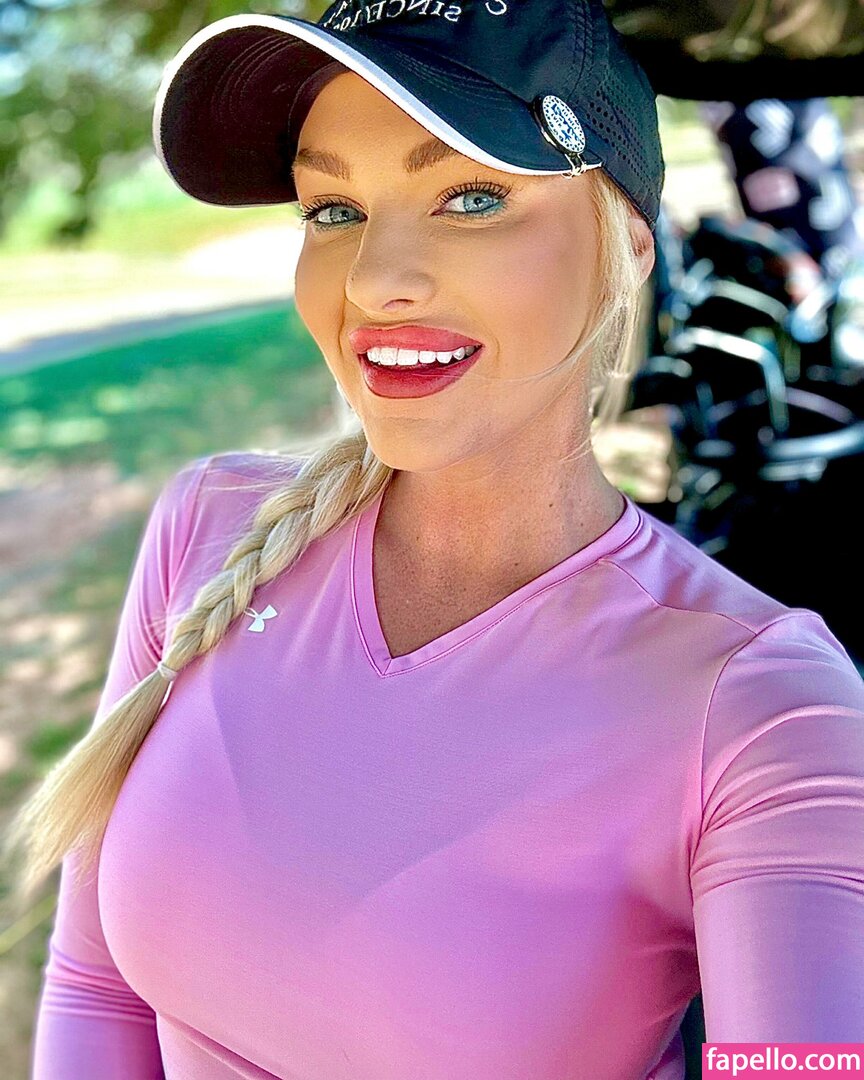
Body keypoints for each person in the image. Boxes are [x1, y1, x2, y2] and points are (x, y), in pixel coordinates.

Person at [5, 2, 864, 1078]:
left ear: (627, 249)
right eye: (333, 210)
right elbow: (93, 989)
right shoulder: (208, 528)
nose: (374, 280)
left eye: (472, 197)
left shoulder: (762, 705)